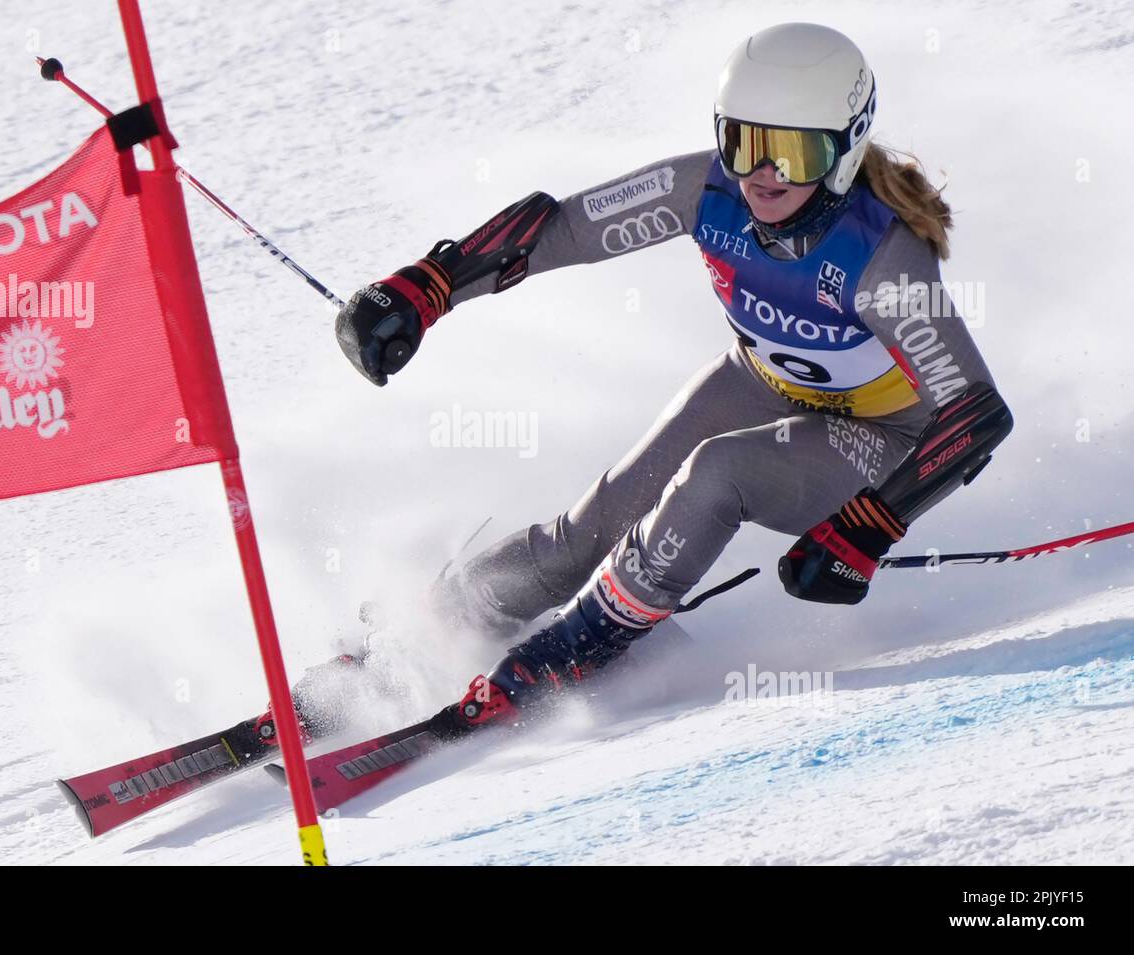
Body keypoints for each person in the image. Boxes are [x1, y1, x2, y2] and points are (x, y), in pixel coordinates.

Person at [334, 22, 1012, 733]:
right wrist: (430, 284)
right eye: (743, 142)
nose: (763, 174)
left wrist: (868, 527)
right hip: (761, 379)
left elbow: (973, 410)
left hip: (879, 435)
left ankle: (577, 647)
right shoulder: (705, 190)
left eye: (792, 151)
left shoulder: (881, 256)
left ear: (844, 149)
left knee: (719, 472)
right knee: (591, 529)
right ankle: (435, 625)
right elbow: (562, 229)